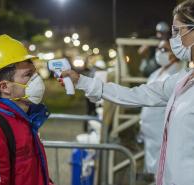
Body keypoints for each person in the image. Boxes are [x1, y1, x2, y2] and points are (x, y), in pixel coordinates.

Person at [60, 1, 194, 184]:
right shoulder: (183, 79)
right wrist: (83, 82)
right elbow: (136, 94)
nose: (174, 39)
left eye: (178, 31)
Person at [0, 35, 54, 185]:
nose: (36, 79)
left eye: (35, 72)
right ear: (4, 87)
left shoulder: (25, 121)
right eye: (28, 75)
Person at [139, 40, 182, 176]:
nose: (159, 52)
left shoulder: (177, 74)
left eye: (164, 49)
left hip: (162, 131)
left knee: (165, 172)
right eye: (158, 49)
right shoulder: (156, 73)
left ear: (174, 52)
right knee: (155, 172)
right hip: (150, 132)